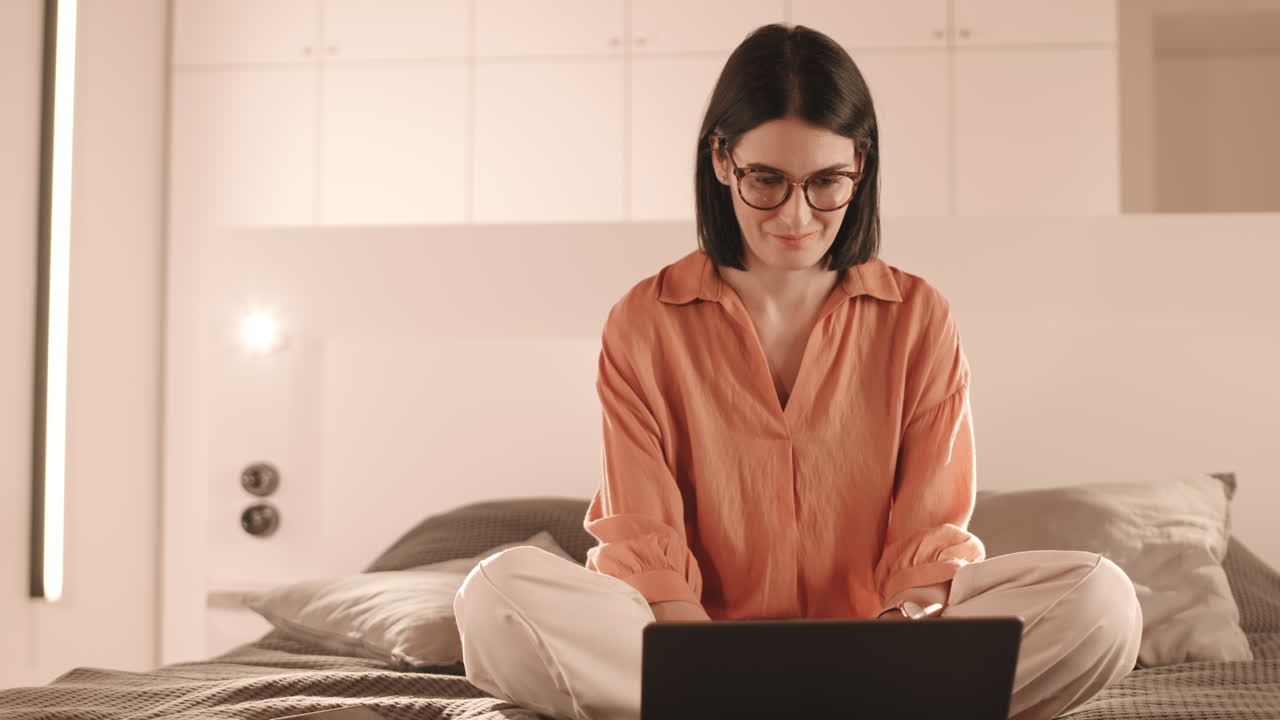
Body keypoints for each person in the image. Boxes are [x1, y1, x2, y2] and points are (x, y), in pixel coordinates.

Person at [454, 23, 1142, 720]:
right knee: (495, 593)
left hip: (880, 655)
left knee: (1100, 598)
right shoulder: (644, 320)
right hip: (691, 649)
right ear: (722, 160)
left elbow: (928, 541)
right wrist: (715, 672)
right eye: (767, 181)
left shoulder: (918, 316)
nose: (796, 215)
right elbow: (644, 540)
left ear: (860, 167)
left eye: (825, 183)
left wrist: (902, 641)